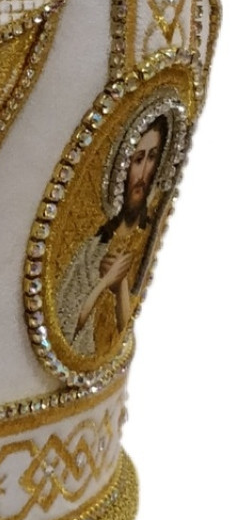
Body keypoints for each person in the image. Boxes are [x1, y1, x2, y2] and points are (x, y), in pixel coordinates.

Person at [57, 115, 169, 357]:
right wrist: (105, 283)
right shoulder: (95, 247)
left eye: (152, 157)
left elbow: (122, 329)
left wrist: (120, 286)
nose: (143, 173)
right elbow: (66, 322)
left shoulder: (143, 238)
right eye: (138, 159)